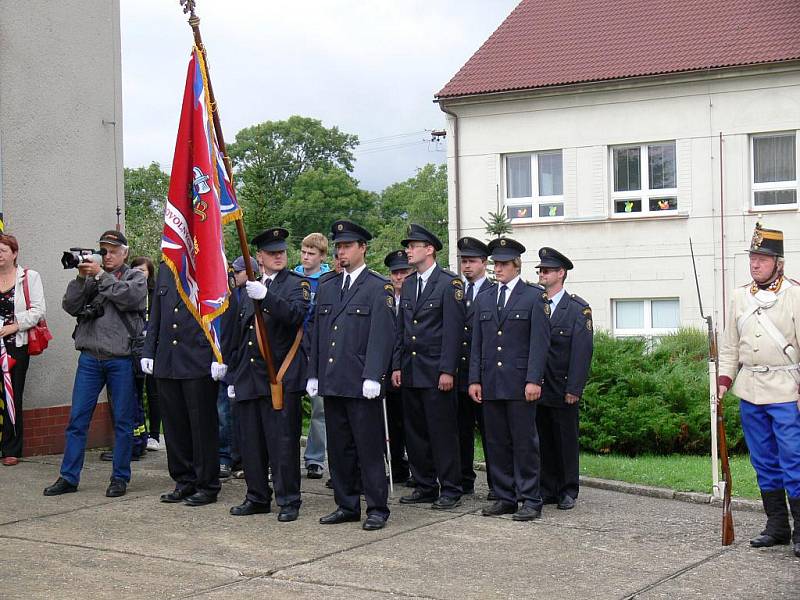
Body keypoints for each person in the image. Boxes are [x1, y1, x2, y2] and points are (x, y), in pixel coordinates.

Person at [718, 222, 800, 558]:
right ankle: (777, 526)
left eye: (763, 258)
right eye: (753, 257)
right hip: (750, 390)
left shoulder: (794, 294)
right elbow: (729, 346)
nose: (755, 263)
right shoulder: (740, 297)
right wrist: (724, 382)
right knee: (763, 461)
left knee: (793, 459)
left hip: (785, 390)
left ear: (778, 263)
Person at [44, 230, 146, 498]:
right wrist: (81, 277)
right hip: (90, 357)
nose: (107, 255)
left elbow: (130, 298)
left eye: (113, 250)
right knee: (77, 420)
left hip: (120, 358)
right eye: (103, 249)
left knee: (123, 422)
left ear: (125, 253)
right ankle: (68, 477)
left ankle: (119, 478)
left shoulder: (135, 276)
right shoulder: (90, 278)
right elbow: (70, 305)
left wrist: (101, 275)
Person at [307, 220, 395, 530]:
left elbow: (382, 335)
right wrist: (314, 373)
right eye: (339, 246)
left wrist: (374, 375)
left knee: (368, 448)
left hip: (361, 382)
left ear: (362, 248)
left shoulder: (376, 285)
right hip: (333, 379)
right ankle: (346, 504)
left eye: (347, 246)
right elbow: (318, 332)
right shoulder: (329, 284)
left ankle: (376, 508)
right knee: (340, 447)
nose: (341, 251)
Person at [227, 228, 309, 522]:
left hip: (280, 377)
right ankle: (257, 496)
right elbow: (240, 333)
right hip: (249, 376)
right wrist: (232, 376)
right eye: (272, 252)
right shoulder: (250, 287)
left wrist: (268, 297)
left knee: (282, 443)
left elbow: (295, 316)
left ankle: (289, 500)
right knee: (251, 442)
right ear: (259, 257)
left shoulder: (295, 284)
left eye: (282, 252)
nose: (278, 256)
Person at [468, 237, 551, 521]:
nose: (498, 269)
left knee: (524, 443)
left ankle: (530, 497)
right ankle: (505, 496)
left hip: (519, 383)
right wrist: (474, 379)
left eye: (504, 264)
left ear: (517, 265)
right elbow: (477, 342)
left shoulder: (533, 297)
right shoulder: (486, 297)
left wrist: (534, 380)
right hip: (491, 382)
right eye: (496, 264)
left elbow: (540, 344)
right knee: (496, 442)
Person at [392, 223, 465, 509]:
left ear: (429, 249)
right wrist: (398, 365)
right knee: (416, 433)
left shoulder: (449, 284)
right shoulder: (409, 284)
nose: (408, 250)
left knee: (442, 432)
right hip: (411, 370)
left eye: (413, 245)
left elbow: (453, 332)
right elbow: (401, 328)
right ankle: (424, 484)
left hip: (436, 372)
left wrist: (448, 370)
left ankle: (450, 488)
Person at [141, 262, 226, 507]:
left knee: (201, 427)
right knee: (174, 426)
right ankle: (183, 480)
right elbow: (157, 310)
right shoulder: (167, 267)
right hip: (168, 359)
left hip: (198, 358)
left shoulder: (209, 261)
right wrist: (149, 351)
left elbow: (220, 312)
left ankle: (206, 484)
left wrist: (217, 356)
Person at [535, 247, 593, 510]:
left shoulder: (577, 309)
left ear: (561, 273)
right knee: (544, 438)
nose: (542, 274)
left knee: (565, 440)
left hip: (563, 386)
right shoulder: (536, 303)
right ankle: (547, 487)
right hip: (539, 386)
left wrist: (574, 388)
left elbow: (582, 353)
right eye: (541, 270)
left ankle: (568, 489)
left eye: (547, 271)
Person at [0, 233, 46, 465]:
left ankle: (11, 449)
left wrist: (14, 326)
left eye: (3, 250)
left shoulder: (29, 277)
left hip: (15, 345)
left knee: (12, 395)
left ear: (14, 253)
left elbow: (38, 310)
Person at [456, 236, 495, 496]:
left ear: (484, 262)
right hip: (460, 373)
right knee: (460, 432)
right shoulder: (455, 290)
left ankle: (498, 484)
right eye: (463, 261)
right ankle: (463, 480)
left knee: (492, 434)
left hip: (485, 375)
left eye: (471, 261)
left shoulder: (494, 291)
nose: (466, 266)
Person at [294, 232, 331, 480]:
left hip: (318, 349)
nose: (306, 257)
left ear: (322, 256)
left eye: (311, 254)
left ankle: (315, 459)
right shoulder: (292, 277)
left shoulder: (329, 280)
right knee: (288, 405)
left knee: (319, 408)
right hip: (292, 348)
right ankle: (284, 455)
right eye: (304, 252)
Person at [217, 255, 256, 479]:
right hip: (228, 360)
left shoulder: (253, 293)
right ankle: (225, 457)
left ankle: (241, 459)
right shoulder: (229, 295)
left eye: (238, 272)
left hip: (246, 364)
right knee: (224, 413)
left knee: (241, 416)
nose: (234, 275)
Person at [384, 249, 414, 485]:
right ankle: (396, 465)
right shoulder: (385, 296)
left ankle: (416, 467)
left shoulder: (415, 296)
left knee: (411, 422)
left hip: (410, 367)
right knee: (391, 423)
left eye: (403, 271)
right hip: (386, 369)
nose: (398, 277)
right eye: (395, 273)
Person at [130, 256, 161, 453]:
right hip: (134, 347)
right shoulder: (131, 292)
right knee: (136, 390)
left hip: (152, 346)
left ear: (150, 273)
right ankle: (139, 434)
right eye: (136, 270)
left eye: (143, 270)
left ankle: (154, 435)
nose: (139, 273)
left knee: (153, 391)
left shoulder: (155, 293)